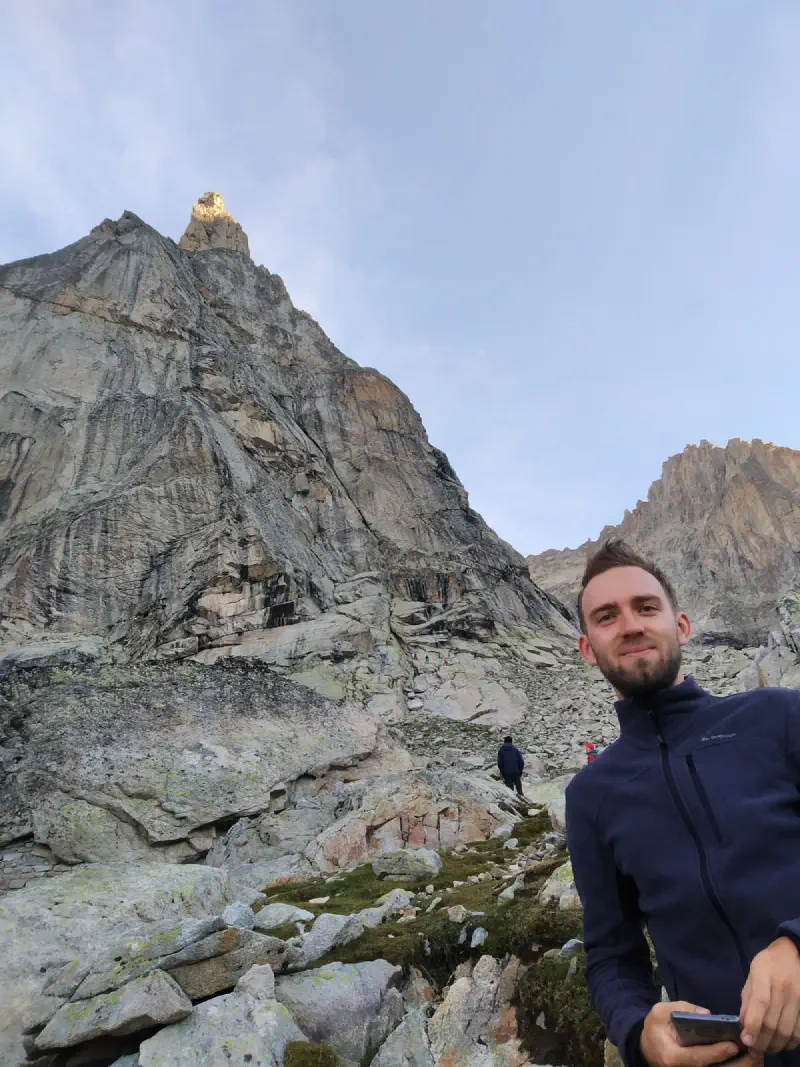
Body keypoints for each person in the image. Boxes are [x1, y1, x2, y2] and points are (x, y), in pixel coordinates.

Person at [566, 539, 800, 1067]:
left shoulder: (779, 718)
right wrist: (639, 1037)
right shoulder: (590, 796)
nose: (630, 625)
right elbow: (611, 956)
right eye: (607, 616)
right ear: (588, 649)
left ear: (682, 625)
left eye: (646, 607)